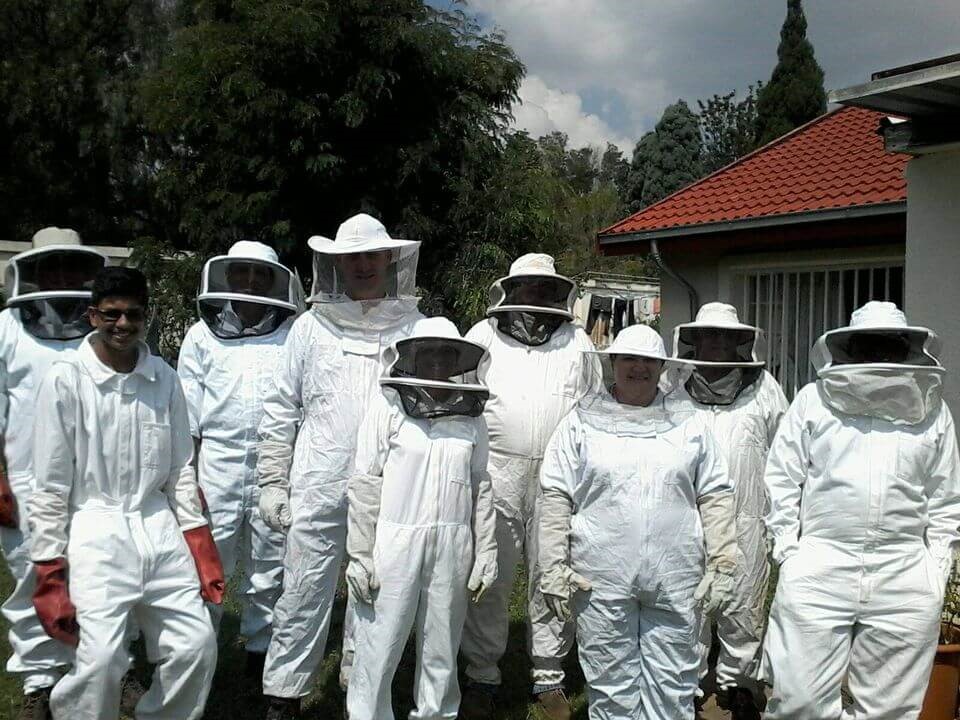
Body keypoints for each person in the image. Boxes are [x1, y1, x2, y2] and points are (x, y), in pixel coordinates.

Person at [28, 267, 223, 720]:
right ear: (93, 315)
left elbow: (179, 470)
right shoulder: (66, 379)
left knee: (196, 646)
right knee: (100, 662)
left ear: (145, 316)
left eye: (133, 315)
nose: (123, 325)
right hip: (96, 528)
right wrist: (49, 569)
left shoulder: (164, 378)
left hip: (157, 524)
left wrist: (199, 540)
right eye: (112, 314)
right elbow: (51, 484)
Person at [257, 213, 424, 719]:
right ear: (336, 265)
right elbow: (281, 405)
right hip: (317, 479)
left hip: (388, 483)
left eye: (372, 255)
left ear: (390, 260)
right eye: (352, 258)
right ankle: (284, 693)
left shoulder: (414, 329)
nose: (363, 265)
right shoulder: (309, 327)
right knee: (304, 586)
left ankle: (361, 688)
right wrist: (271, 480)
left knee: (372, 588)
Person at [762, 301, 960, 720]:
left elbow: (947, 498)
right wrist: (789, 551)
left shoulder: (933, 412)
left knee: (889, 711)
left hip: (904, 569)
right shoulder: (813, 401)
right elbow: (781, 477)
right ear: (850, 347)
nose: (880, 354)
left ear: (907, 347)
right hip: (821, 561)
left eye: (889, 344)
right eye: (870, 344)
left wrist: (934, 569)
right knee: (798, 702)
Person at [538, 324, 737, 720]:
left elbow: (715, 493)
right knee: (610, 679)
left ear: (662, 366)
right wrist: (552, 565)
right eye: (629, 359)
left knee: (675, 680)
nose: (638, 368)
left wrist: (724, 562)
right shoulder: (579, 422)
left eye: (648, 360)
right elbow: (556, 494)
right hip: (602, 573)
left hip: (675, 573)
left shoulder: (690, 423)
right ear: (613, 363)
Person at [459, 253, 595, 720]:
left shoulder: (577, 342)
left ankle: (549, 674)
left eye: (543, 288)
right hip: (496, 472)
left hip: (559, 479)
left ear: (556, 292)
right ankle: (481, 674)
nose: (535, 297)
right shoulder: (481, 336)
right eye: (528, 288)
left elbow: (592, 408)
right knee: (489, 573)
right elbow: (460, 401)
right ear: (511, 290)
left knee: (552, 574)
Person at [346, 317, 498, 720]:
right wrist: (359, 553)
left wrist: (486, 549)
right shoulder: (388, 407)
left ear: (457, 361)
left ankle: (436, 714)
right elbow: (365, 484)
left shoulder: (472, 415)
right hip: (393, 540)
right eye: (427, 352)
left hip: (453, 543)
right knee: (379, 640)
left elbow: (480, 485)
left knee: (441, 647)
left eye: (445, 354)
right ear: (411, 357)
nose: (435, 362)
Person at [178, 241, 303, 681]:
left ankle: (260, 651)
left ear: (275, 281)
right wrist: (186, 475)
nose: (251, 283)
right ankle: (196, 655)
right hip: (218, 465)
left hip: (277, 466)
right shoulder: (200, 335)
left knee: (271, 563)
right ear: (226, 277)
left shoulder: (291, 334)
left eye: (261, 275)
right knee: (208, 563)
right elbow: (187, 415)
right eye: (242, 273)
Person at [0, 227, 106, 719]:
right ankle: (38, 682)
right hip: (26, 479)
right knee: (32, 579)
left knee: (100, 576)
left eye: (71, 265)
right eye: (53, 266)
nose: (62, 275)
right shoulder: (6, 328)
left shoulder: (104, 328)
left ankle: (106, 670)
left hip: (95, 481)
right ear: (35, 271)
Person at [671, 303, 788, 719]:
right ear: (695, 339)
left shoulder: (765, 388)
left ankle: (737, 687)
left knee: (743, 609)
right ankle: (686, 686)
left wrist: (778, 519)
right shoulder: (675, 384)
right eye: (708, 335)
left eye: (724, 335)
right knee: (688, 607)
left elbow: (784, 454)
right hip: (686, 520)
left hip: (746, 518)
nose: (715, 342)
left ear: (739, 341)